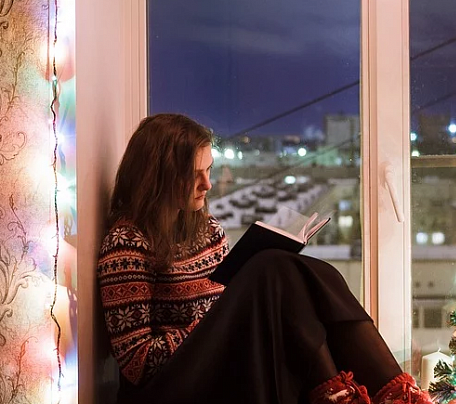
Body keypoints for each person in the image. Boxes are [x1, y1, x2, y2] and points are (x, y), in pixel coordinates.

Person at [97, 113, 435, 404]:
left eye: (209, 170)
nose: (207, 185)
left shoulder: (208, 230)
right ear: (160, 176)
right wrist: (214, 322)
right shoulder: (126, 244)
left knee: (287, 275)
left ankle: (370, 396)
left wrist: (228, 316)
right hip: (167, 388)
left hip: (217, 362)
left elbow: (223, 307)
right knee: (270, 266)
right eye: (194, 174)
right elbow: (138, 364)